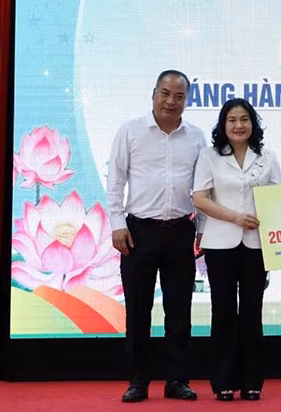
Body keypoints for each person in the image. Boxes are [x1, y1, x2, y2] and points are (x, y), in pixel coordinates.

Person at [107, 70, 206, 403]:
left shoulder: (196, 137)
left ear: (186, 100)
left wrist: (202, 227)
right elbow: (115, 180)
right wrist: (117, 223)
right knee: (138, 311)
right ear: (153, 94)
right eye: (165, 93)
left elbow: (203, 187)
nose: (171, 101)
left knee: (179, 311)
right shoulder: (130, 131)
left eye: (179, 96)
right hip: (138, 232)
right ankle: (138, 381)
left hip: (180, 231)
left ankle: (177, 380)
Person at [191, 98, 281, 401]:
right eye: (232, 120)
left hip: (258, 244)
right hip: (220, 243)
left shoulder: (267, 156)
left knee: (252, 311)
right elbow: (200, 199)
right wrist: (235, 218)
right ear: (223, 124)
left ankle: (253, 380)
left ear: (253, 124)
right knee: (223, 310)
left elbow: (278, 199)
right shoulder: (209, 156)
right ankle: (224, 381)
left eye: (244, 119)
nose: (239, 125)